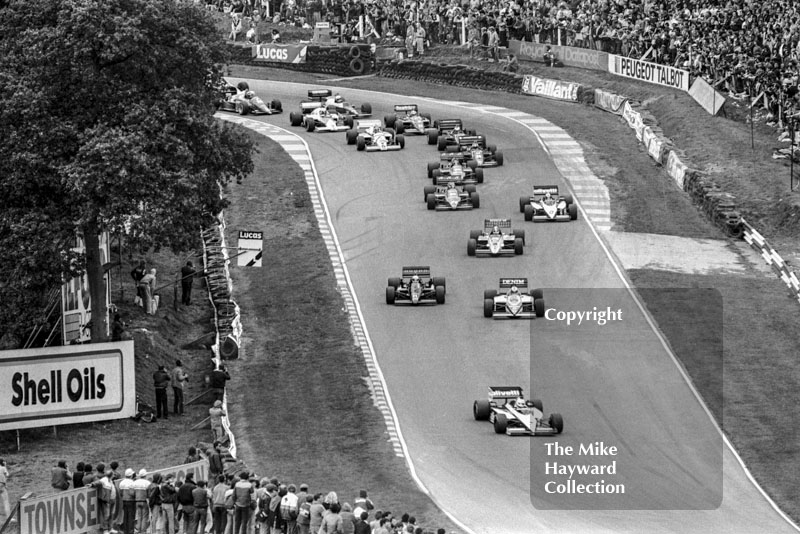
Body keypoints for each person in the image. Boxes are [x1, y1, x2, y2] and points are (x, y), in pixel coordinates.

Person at [119, 469, 137, 534]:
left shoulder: (122, 482)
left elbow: (120, 493)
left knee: (125, 517)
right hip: (131, 501)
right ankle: (131, 531)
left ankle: (125, 531)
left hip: (124, 501)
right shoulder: (132, 483)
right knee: (131, 517)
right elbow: (133, 493)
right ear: (131, 475)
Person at [0, 459, 10, 524]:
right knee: (6, 502)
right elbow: (7, 475)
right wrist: (5, 466)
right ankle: (8, 518)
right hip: (2, 485)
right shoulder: (3, 468)